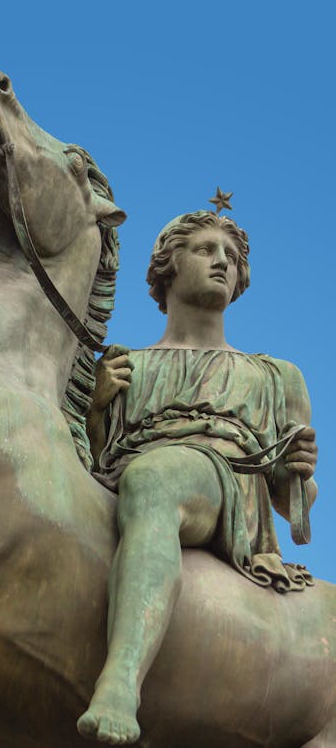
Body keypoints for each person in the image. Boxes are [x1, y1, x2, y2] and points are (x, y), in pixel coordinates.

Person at [77, 208, 318, 745]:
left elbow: (296, 513)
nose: (221, 263)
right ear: (167, 266)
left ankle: (120, 684)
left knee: (157, 477)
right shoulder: (122, 366)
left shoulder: (276, 376)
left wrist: (296, 471)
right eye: (206, 250)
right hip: (125, 483)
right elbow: (88, 464)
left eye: (231, 258)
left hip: (222, 488)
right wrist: (94, 414)